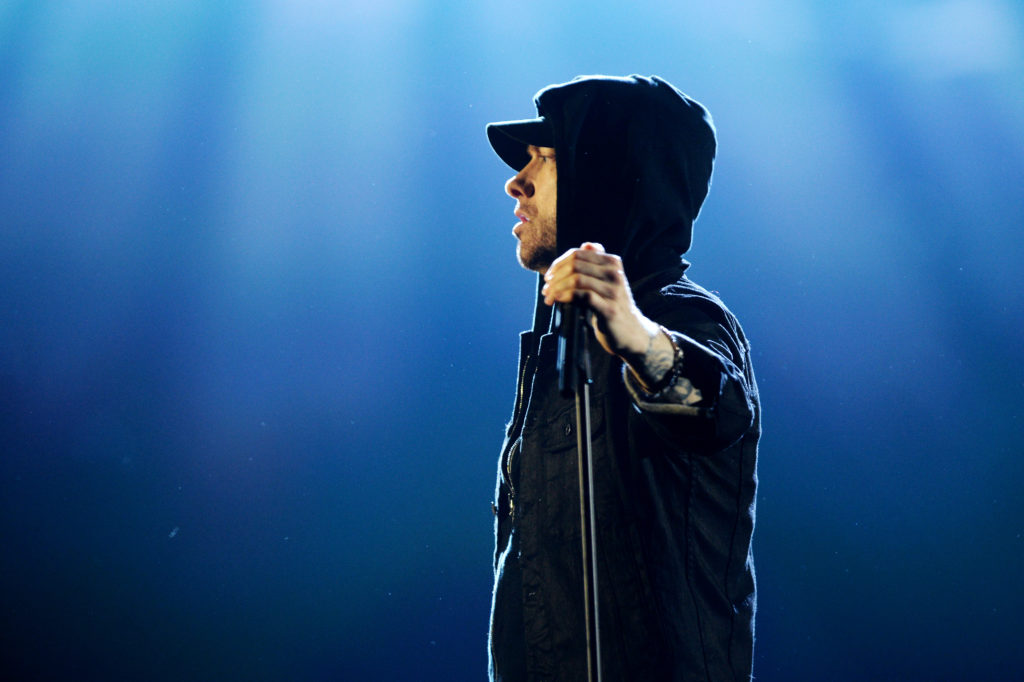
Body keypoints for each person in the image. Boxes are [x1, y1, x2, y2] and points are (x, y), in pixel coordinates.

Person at [485, 75, 761, 681]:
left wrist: (634, 333)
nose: (517, 180)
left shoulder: (682, 319)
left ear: (604, 179)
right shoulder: (559, 348)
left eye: (545, 158)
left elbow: (713, 406)